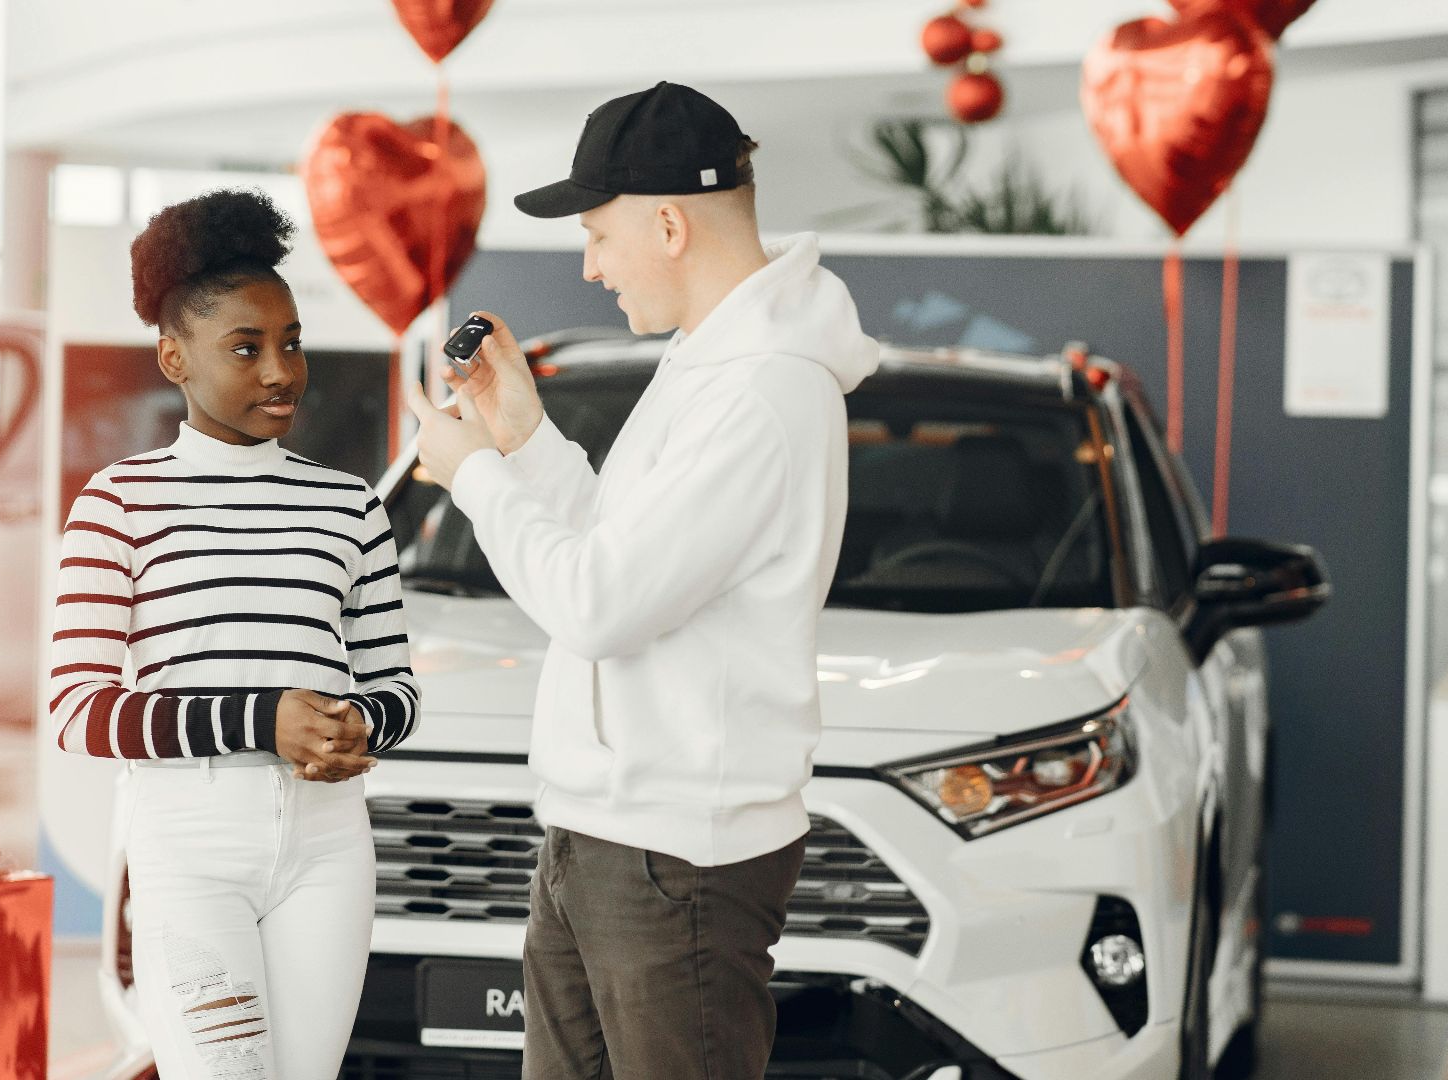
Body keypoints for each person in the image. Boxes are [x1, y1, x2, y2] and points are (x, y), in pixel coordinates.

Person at [405, 81, 879, 1080]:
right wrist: (521, 433)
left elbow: (598, 605)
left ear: (668, 224)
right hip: (603, 838)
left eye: (597, 234)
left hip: (676, 861)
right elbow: (618, 551)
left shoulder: (762, 390)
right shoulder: (713, 363)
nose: (588, 265)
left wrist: (477, 477)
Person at [48, 188, 420, 1079]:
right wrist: (263, 719)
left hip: (330, 844)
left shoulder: (350, 503)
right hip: (188, 841)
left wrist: (361, 725)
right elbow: (76, 709)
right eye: (245, 349)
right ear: (175, 358)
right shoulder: (118, 503)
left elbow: (397, 687)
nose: (280, 372)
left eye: (290, 343)